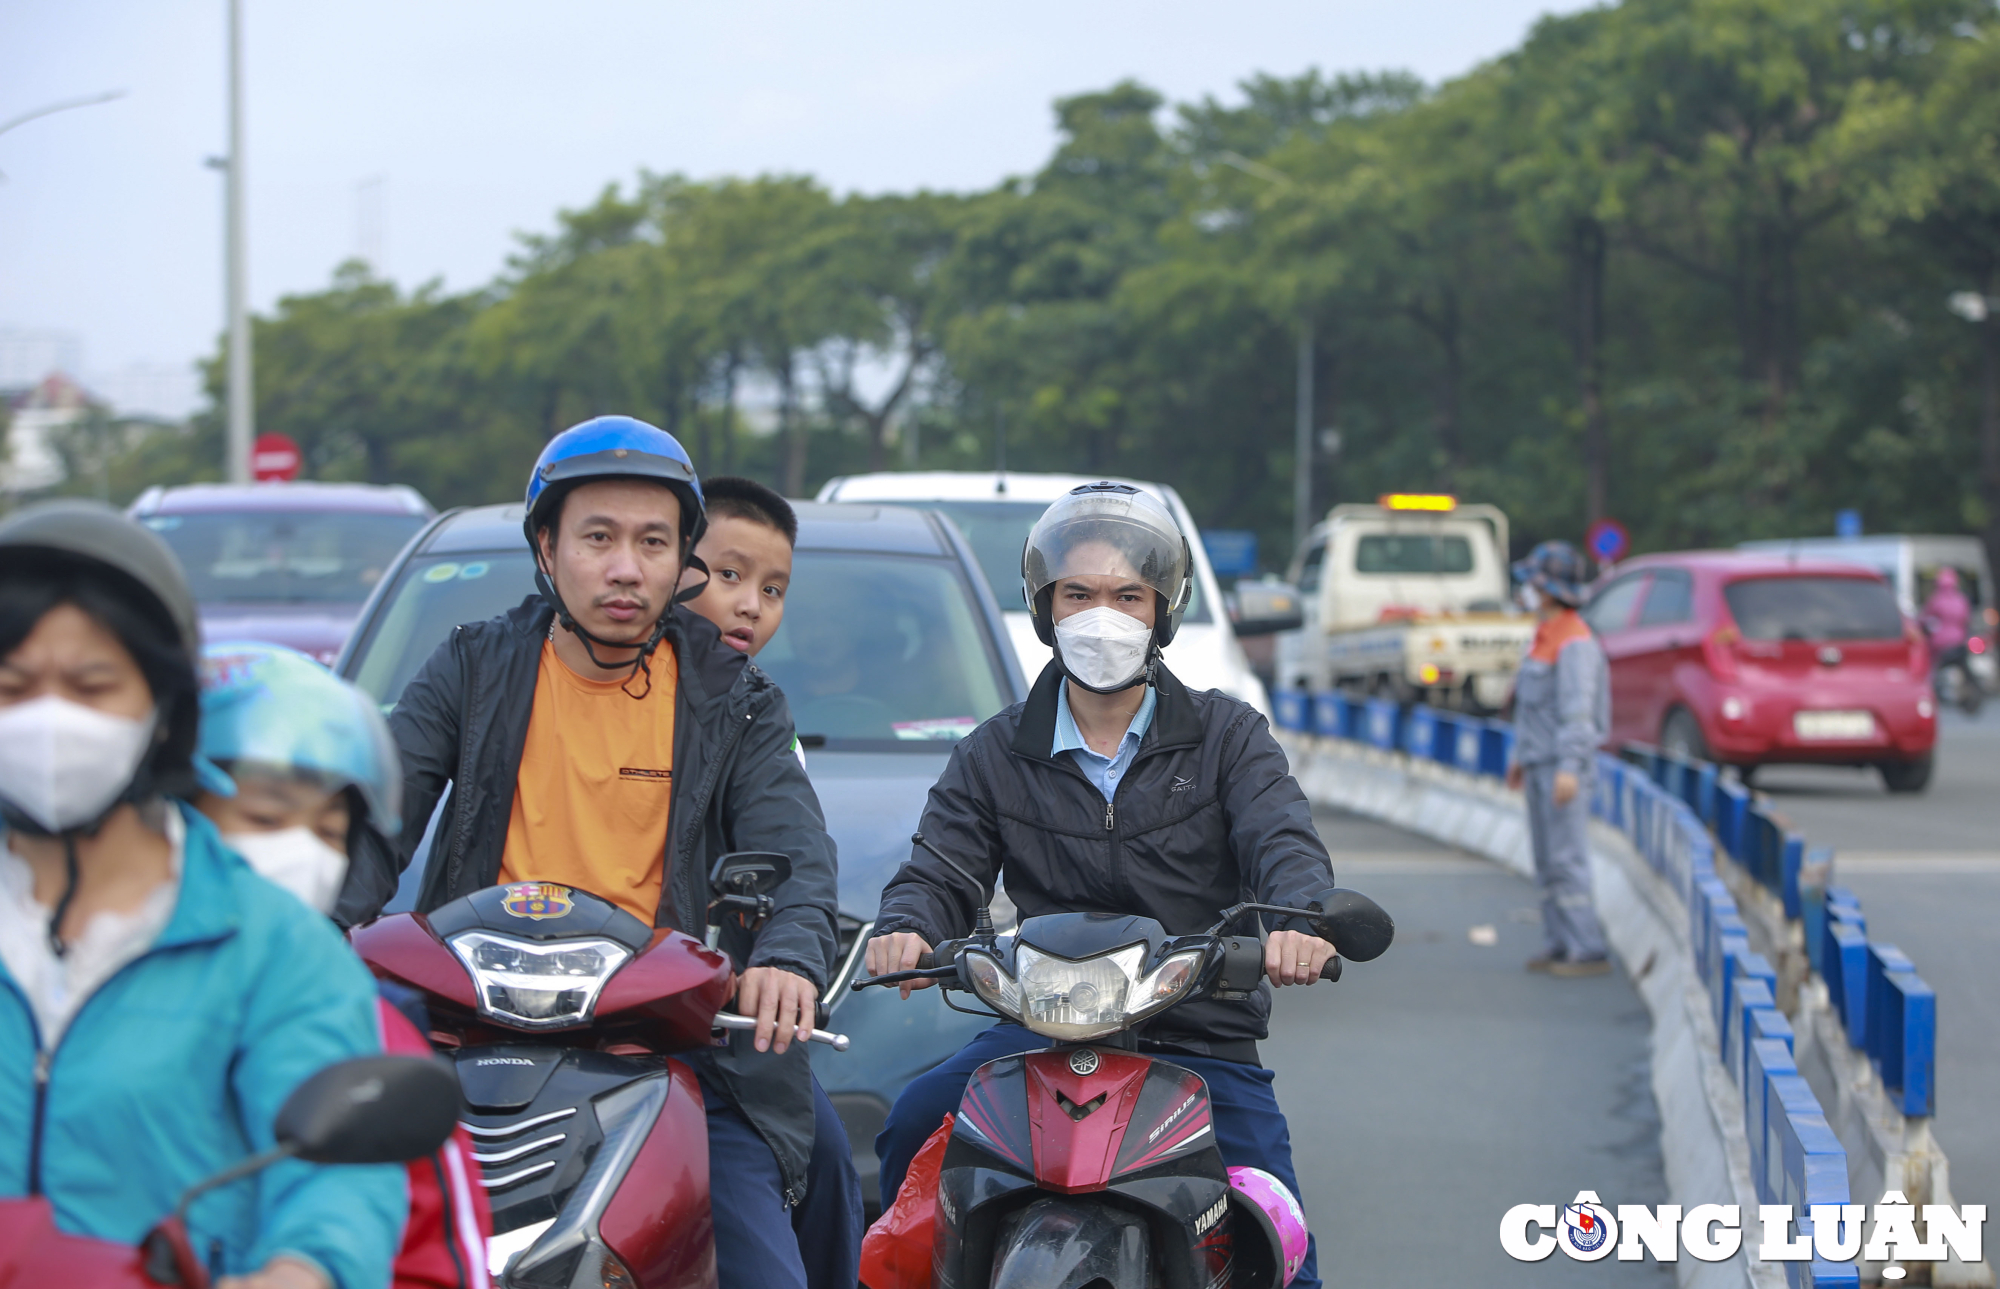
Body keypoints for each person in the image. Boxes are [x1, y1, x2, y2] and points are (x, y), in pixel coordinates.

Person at [339, 416, 856, 1289]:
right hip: (469, 1032)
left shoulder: (737, 698)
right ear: (547, 547)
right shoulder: (471, 666)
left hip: (671, 1040)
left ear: (682, 556)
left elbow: (796, 850)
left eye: (654, 541)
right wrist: (311, 934)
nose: (626, 567)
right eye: (598, 538)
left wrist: (788, 958)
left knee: (782, 1244)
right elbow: (369, 823)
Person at [864, 482, 1343, 1289]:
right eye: (1078, 593)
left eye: (1128, 595)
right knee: (914, 1123)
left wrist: (1300, 922)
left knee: (1279, 1228)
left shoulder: (1230, 738)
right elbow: (939, 866)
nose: (1102, 614)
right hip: (1042, 1031)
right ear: (1046, 606)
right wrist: (908, 923)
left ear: (1163, 610)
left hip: (1198, 1031)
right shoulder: (994, 751)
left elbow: (1284, 843)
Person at [0, 500, 404, 1289]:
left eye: (91, 686)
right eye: (14, 687)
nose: (49, 719)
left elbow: (340, 1181)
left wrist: (302, 1270)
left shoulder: (275, 946)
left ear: (162, 711)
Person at [194, 641, 493, 1289]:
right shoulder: (79, 989)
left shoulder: (372, 1034)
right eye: (267, 816)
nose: (300, 852)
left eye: (329, 832)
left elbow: (433, 1252)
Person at [1504, 540, 1613, 977]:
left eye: (1532, 582)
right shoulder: (1544, 637)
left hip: (1560, 769)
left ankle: (1586, 950)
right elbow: (1532, 711)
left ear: (1548, 590)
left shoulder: (1574, 642)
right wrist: (1519, 757)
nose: (1525, 590)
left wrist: (1569, 768)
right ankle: (1558, 944)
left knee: (1567, 860)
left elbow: (1577, 715)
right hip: (1538, 764)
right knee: (1548, 861)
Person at [681, 475, 797, 658]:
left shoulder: (761, 687)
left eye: (771, 590)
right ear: (677, 564)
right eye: (729, 574)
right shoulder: (627, 678)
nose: (752, 608)